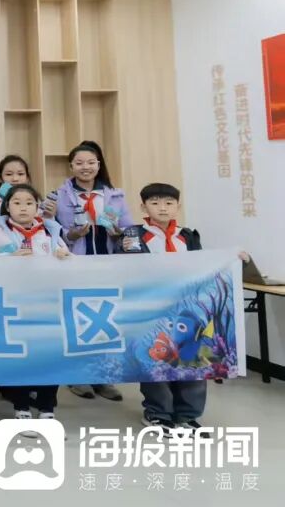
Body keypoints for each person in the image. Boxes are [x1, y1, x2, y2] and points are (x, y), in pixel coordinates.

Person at [0, 184, 70, 423]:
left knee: (49, 354)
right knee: (19, 355)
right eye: (17, 203)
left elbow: (69, 261)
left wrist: (64, 257)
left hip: (47, 303)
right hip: (12, 303)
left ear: (38, 207)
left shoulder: (50, 231)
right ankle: (21, 406)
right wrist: (9, 259)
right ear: (7, 207)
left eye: (29, 203)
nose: (23, 208)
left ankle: (47, 406)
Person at [122, 183, 207, 433]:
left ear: (177, 206)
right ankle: (158, 413)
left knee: (190, 359)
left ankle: (187, 414)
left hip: (186, 309)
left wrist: (233, 257)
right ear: (143, 207)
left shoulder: (188, 236)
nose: (162, 208)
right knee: (154, 360)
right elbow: (128, 268)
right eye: (155, 203)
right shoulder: (133, 235)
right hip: (151, 309)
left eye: (169, 203)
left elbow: (203, 265)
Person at [54, 141, 132, 402]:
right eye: (79, 163)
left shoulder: (115, 196)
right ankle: (77, 376)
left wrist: (119, 234)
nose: (85, 167)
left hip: (107, 264)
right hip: (74, 264)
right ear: (71, 166)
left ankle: (103, 377)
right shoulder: (59, 196)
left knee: (105, 319)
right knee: (77, 319)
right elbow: (53, 232)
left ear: (99, 165)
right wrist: (72, 234)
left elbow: (130, 230)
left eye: (90, 162)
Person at [0, 155, 44, 243]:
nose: (15, 179)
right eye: (9, 174)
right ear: (1, 178)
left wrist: (50, 215)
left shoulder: (36, 198)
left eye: (20, 174)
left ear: (27, 177)